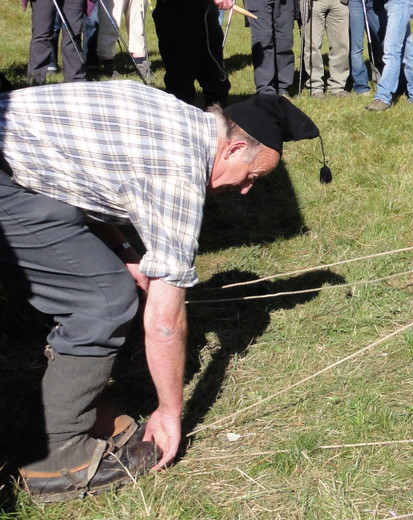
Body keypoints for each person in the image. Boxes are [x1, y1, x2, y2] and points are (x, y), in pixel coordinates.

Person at [0, 79, 323, 501]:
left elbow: (77, 175)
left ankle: (79, 410)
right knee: (103, 301)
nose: (247, 189)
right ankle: (57, 457)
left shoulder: (176, 117)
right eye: (253, 176)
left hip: (17, 168)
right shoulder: (180, 174)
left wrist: (125, 250)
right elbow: (165, 324)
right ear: (233, 149)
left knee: (110, 283)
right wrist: (170, 412)